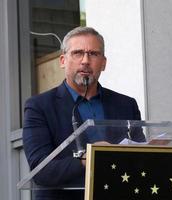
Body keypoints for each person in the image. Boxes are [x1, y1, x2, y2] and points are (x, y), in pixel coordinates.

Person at [22, 26, 145, 200]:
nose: (85, 61)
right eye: (78, 53)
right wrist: (86, 160)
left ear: (103, 63)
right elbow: (40, 170)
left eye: (93, 54)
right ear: (63, 60)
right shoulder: (39, 107)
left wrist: (151, 151)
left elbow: (139, 159)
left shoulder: (126, 104)